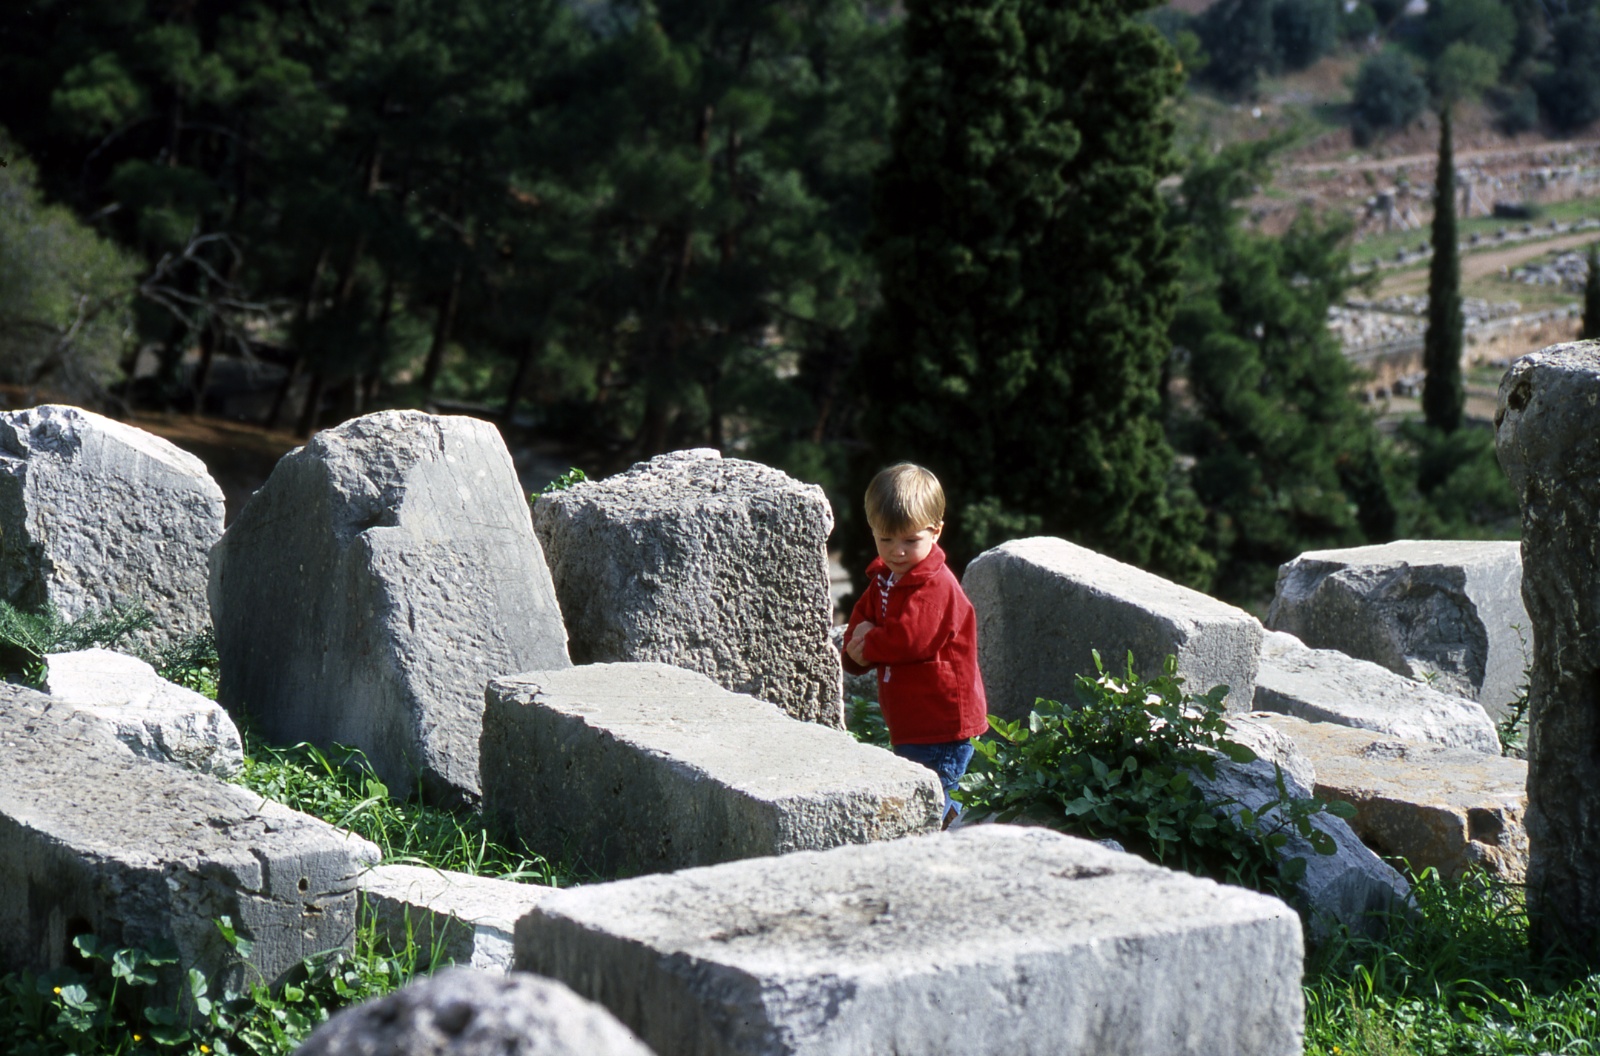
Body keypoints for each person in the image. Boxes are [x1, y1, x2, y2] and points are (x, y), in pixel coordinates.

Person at [841, 463, 987, 827]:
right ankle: (955, 825)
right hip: (911, 719)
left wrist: (870, 642)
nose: (897, 551)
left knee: (930, 794)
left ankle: (953, 833)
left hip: (941, 721)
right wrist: (855, 653)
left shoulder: (935, 585)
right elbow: (860, 621)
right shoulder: (885, 580)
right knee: (924, 791)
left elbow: (911, 640)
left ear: (935, 532)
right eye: (885, 539)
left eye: (910, 540)